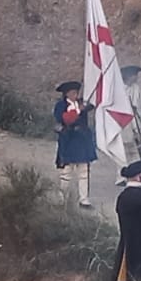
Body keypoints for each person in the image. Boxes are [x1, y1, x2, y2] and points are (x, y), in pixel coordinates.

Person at [53, 80, 97, 209]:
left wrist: (83, 107)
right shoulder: (60, 105)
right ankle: (62, 199)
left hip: (82, 139)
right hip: (69, 139)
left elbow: (92, 105)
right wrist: (77, 111)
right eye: (72, 92)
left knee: (84, 171)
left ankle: (84, 199)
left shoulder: (82, 103)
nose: (75, 95)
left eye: (76, 92)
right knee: (66, 172)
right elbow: (65, 119)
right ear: (66, 94)